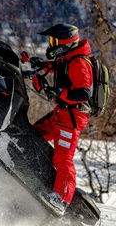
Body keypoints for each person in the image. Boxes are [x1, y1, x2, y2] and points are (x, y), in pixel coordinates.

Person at [23, 23, 93, 217]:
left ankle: (61, 200)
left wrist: (60, 92)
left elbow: (83, 93)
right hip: (61, 115)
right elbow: (58, 68)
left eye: (54, 40)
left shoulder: (79, 63)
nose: (51, 44)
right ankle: (33, 173)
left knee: (63, 159)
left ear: (65, 42)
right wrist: (41, 65)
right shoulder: (68, 59)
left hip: (71, 119)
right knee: (33, 136)